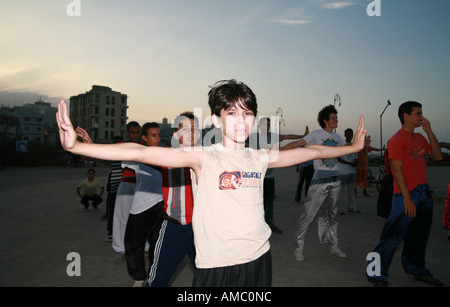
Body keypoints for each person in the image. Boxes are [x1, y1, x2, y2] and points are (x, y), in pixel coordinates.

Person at [56, 79, 366, 287]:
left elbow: (310, 150)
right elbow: (139, 150)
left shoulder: (259, 158)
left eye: (247, 113)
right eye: (231, 112)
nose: (241, 119)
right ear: (216, 121)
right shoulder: (202, 157)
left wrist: (351, 148)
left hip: (259, 258)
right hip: (217, 266)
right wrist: (77, 147)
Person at [367, 101, 443, 287]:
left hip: (423, 192)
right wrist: (407, 198)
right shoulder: (397, 139)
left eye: (421, 113)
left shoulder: (419, 139)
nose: (421, 116)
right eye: (418, 113)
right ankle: (375, 274)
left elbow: (438, 156)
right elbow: (397, 170)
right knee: (392, 237)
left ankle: (417, 269)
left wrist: (429, 132)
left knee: (419, 236)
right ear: (406, 116)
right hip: (405, 194)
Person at [283, 105, 349, 262]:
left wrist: (361, 144)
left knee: (333, 215)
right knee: (309, 214)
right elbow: (298, 143)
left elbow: (348, 149)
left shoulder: (338, 138)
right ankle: (299, 247)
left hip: (335, 179)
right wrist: (279, 151)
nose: (336, 120)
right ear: (325, 120)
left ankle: (333, 244)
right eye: (333, 118)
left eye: (336, 117)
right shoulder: (315, 134)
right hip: (320, 179)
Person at [147, 111, 200, 287]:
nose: (190, 132)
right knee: (156, 282)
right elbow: (134, 150)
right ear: (176, 133)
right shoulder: (166, 154)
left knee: (210, 279)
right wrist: (88, 147)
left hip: (201, 229)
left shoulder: (207, 157)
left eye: (194, 128)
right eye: (184, 128)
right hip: (174, 226)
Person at [248, 117, 309, 233]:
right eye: (265, 124)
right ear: (259, 126)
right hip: (256, 176)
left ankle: (270, 225)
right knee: (255, 202)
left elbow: (288, 136)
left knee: (269, 202)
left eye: (269, 125)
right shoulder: (253, 137)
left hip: (270, 177)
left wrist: (302, 136)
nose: (267, 127)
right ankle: (255, 227)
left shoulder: (273, 136)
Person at [124, 122, 165, 287]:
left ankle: (155, 276)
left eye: (158, 135)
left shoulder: (166, 154)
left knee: (158, 244)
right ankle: (139, 277)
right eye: (153, 135)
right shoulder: (137, 154)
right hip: (140, 205)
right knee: (135, 243)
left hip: (160, 205)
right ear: (145, 138)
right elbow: (111, 155)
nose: (157, 138)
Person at [113, 122, 141, 263]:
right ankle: (120, 248)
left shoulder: (144, 146)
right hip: (126, 184)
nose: (135, 135)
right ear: (127, 133)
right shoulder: (122, 145)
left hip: (142, 186)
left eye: (137, 132)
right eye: (132, 132)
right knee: (121, 217)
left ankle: (145, 246)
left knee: (142, 218)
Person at [337, 128, 359, 214]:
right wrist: (348, 163)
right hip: (343, 172)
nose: (350, 135)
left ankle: (352, 206)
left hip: (352, 172)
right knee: (340, 191)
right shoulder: (341, 145)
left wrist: (354, 163)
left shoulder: (354, 146)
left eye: (351, 134)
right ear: (345, 135)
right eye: (348, 134)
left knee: (351, 191)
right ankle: (339, 208)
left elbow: (356, 159)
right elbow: (338, 158)